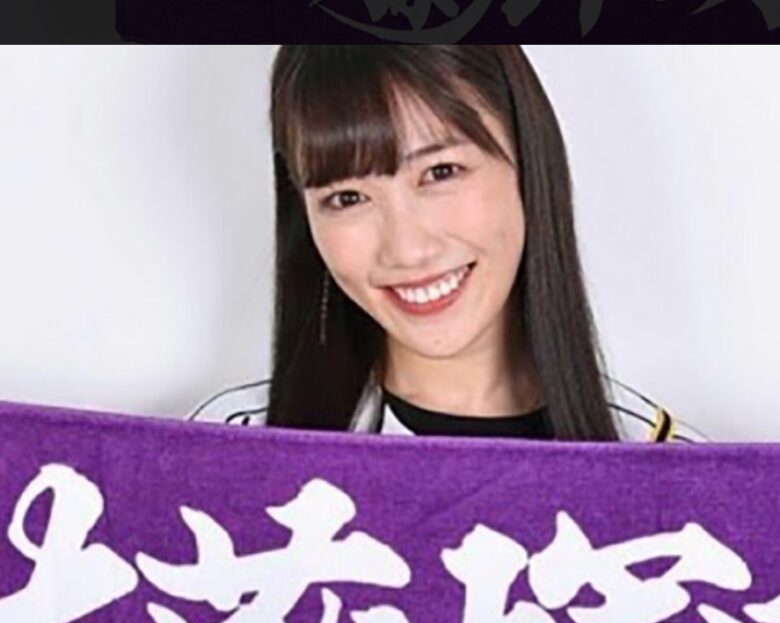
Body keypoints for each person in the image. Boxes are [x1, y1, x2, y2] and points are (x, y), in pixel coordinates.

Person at [188, 45, 710, 444]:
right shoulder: (223, 452)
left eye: (441, 172)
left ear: (528, 162)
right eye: (347, 197)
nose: (407, 249)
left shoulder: (676, 477)